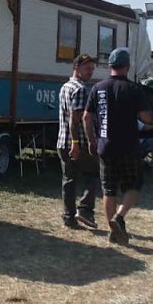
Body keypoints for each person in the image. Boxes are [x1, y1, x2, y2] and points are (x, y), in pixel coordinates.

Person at [84, 47, 153, 245]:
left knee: (109, 189)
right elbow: (146, 117)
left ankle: (113, 232)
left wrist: (91, 140)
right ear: (127, 67)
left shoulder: (98, 88)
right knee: (134, 184)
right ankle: (119, 217)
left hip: (105, 146)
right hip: (129, 146)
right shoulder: (134, 89)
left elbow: (87, 117)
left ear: (110, 66)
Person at [56, 53, 100, 229]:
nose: (90, 72)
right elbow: (75, 120)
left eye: (92, 69)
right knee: (93, 174)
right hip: (77, 142)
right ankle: (85, 210)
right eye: (87, 68)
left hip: (62, 140)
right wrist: (76, 143)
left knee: (69, 180)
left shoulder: (65, 87)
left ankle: (69, 217)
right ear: (76, 68)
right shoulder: (81, 89)